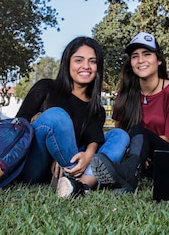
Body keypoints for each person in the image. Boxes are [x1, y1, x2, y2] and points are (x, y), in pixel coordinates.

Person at [16, 36, 129, 198]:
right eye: (79, 60)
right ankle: (71, 176)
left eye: (92, 61)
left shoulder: (96, 109)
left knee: (120, 135)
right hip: (35, 167)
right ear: (67, 62)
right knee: (56, 116)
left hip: (75, 162)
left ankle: (80, 185)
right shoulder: (46, 87)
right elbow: (19, 127)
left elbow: (93, 140)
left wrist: (88, 156)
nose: (86, 66)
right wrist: (56, 153)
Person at [90, 32, 169, 193]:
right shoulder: (127, 90)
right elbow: (120, 129)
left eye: (147, 54)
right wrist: (135, 152)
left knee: (138, 131)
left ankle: (128, 174)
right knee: (132, 135)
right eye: (135, 56)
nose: (141, 60)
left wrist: (141, 150)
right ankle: (132, 170)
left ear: (159, 61)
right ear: (131, 63)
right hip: (140, 158)